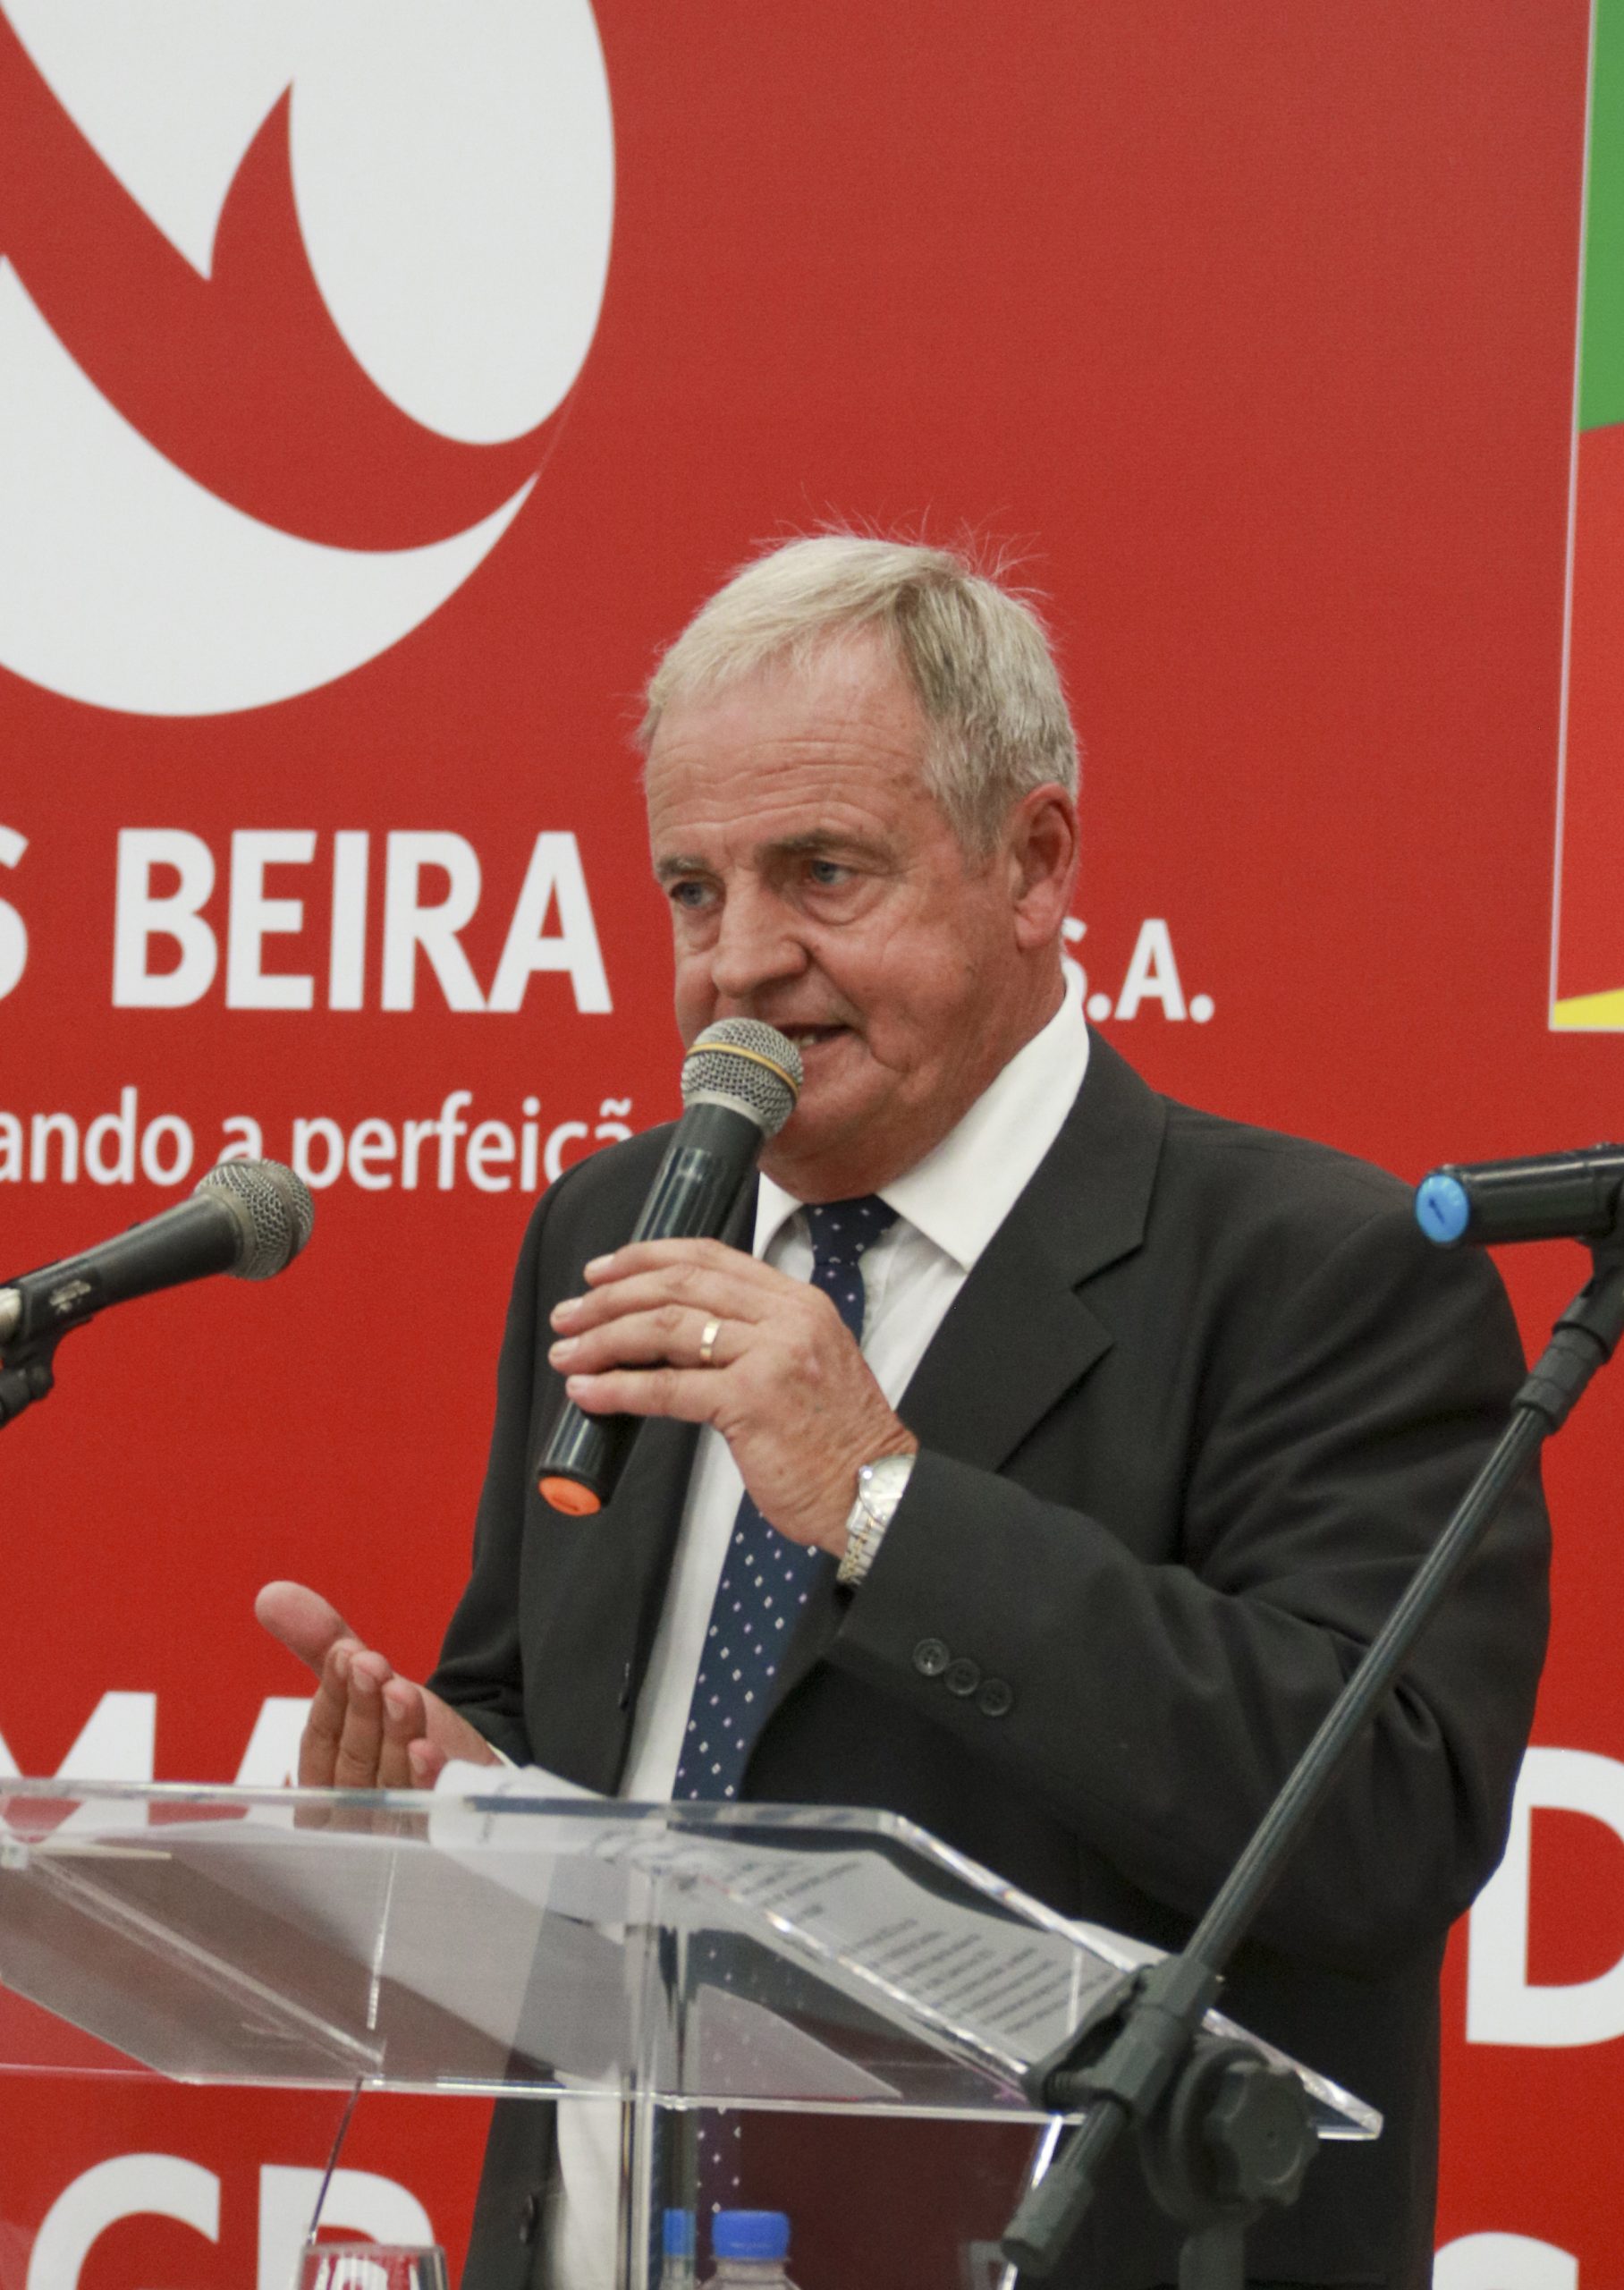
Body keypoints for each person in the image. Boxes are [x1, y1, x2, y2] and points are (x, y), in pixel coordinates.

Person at [258, 534, 1549, 2290]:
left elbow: (1377, 1827)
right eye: (691, 889)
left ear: (1035, 863)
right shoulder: (615, 1223)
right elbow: (558, 1730)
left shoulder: (1321, 1270)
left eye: (822, 872)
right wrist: (446, 1795)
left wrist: (879, 1497)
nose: (739, 960)